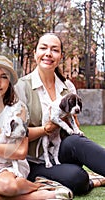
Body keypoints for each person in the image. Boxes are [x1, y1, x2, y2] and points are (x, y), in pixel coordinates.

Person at [0, 54, 73, 199]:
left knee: (6, 186)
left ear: (10, 82)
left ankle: (37, 185)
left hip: (9, 165)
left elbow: (20, 152)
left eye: (4, 77)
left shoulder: (18, 109)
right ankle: (38, 196)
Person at [15, 32, 105, 196]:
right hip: (34, 161)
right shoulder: (21, 87)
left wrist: (73, 127)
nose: (48, 53)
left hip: (61, 150)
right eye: (43, 48)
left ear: (61, 56)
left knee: (77, 141)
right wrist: (47, 128)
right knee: (77, 177)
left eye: (54, 50)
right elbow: (17, 135)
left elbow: (74, 127)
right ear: (35, 53)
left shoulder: (67, 86)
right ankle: (87, 179)